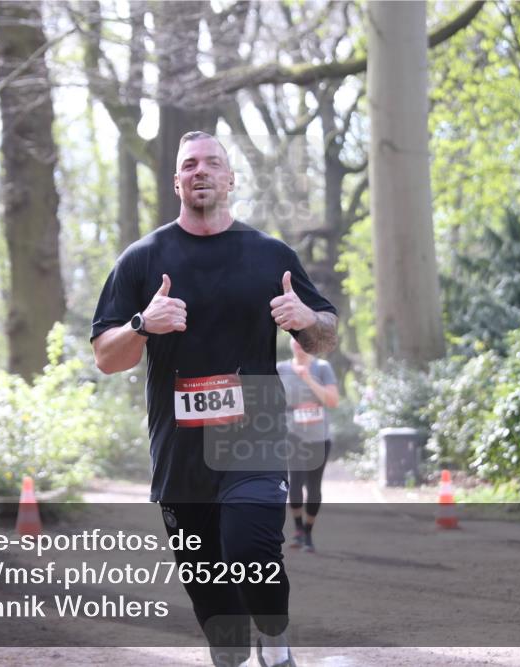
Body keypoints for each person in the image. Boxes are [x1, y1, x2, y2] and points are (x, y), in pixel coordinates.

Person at [90, 131, 338, 667]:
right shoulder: (142, 260)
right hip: (180, 449)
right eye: (190, 165)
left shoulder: (271, 255)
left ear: (231, 178)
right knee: (214, 601)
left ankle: (276, 646)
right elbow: (108, 358)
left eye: (212, 163)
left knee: (251, 549)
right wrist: (142, 324)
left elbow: (325, 336)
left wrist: (308, 321)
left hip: (253, 434)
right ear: (176, 180)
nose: (201, 171)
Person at [277, 338, 339, 553]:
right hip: (292, 434)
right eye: (295, 339)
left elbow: (332, 401)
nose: (298, 343)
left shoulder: (322, 368)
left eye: (304, 340)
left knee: (313, 487)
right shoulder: (281, 369)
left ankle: (309, 532)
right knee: (295, 482)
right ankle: (298, 530)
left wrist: (308, 379)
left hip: (319, 436)